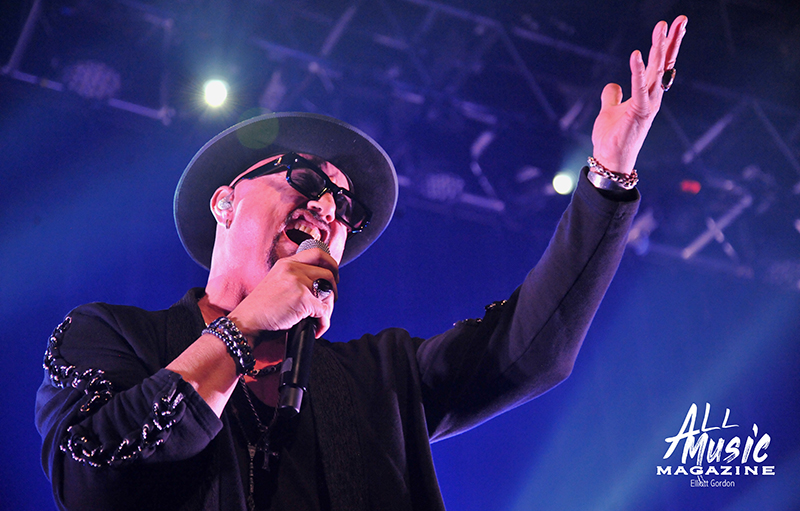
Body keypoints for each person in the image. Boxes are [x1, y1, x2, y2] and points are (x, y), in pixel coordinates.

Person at [35, 16, 688, 511]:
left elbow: (532, 347)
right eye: (305, 178)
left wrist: (609, 176)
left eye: (346, 207)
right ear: (225, 202)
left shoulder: (382, 378)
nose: (328, 208)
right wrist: (246, 325)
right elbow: (93, 475)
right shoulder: (110, 335)